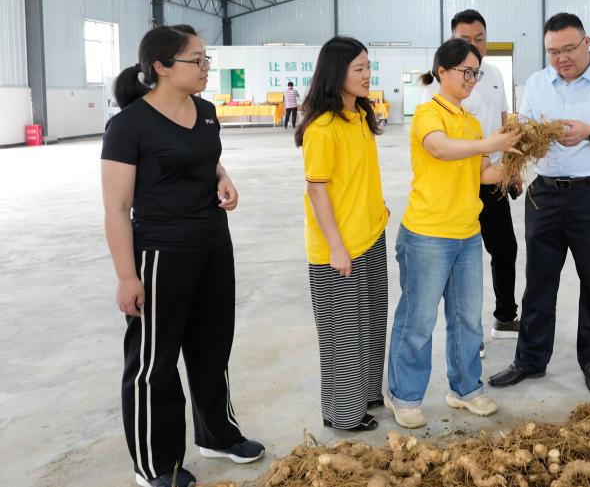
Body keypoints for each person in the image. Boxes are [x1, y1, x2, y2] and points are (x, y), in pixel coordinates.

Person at [101, 25, 263, 487]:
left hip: (213, 246)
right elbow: (116, 208)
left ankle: (217, 434)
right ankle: (155, 464)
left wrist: (222, 177)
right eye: (197, 60)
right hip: (160, 254)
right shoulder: (129, 125)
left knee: (213, 347)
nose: (206, 67)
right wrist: (127, 277)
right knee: (154, 363)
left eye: (206, 59)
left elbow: (203, 158)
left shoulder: (206, 112)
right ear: (162, 67)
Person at [489, 12, 590, 396]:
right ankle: (530, 360)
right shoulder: (538, 83)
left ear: (587, 43)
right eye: (553, 52)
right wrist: (522, 154)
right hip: (545, 195)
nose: (561, 58)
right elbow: (523, 130)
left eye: (569, 49)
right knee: (538, 282)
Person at [385, 39, 522, 429]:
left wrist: (516, 162)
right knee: (418, 320)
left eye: (476, 72)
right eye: (465, 71)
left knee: (467, 320)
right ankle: (404, 395)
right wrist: (492, 142)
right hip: (427, 234)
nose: (472, 79)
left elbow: (483, 173)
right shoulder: (427, 113)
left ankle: (465, 389)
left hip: (467, 233)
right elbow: (441, 149)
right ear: (442, 71)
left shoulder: (472, 123)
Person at [295, 36, 389, 431]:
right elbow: (317, 191)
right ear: (337, 74)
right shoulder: (322, 128)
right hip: (339, 246)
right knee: (344, 332)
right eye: (359, 69)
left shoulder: (360, 116)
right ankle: (344, 414)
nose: (368, 75)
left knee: (372, 321)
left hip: (370, 234)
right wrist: (336, 246)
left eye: (369, 66)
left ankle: (366, 394)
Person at [432, 10, 521, 360]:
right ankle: (469, 334)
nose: (474, 45)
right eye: (465, 39)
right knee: (462, 260)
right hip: (457, 182)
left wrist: (512, 168)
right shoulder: (439, 82)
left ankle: (506, 317)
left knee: (505, 248)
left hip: (491, 177)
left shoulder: (494, 74)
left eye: (480, 38)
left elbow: (504, 118)